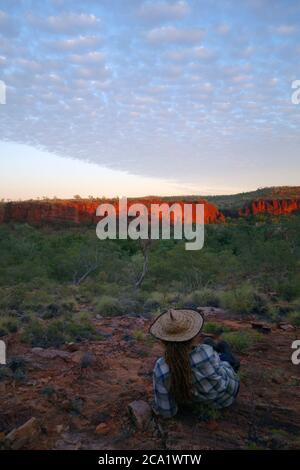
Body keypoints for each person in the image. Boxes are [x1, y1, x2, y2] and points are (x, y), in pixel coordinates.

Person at [149, 308, 240, 418]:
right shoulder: (206, 352)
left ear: (163, 341)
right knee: (223, 348)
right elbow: (221, 372)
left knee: (210, 343)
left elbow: (167, 412)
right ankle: (230, 358)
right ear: (192, 336)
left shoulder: (160, 368)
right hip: (226, 396)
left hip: (194, 402)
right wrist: (225, 363)